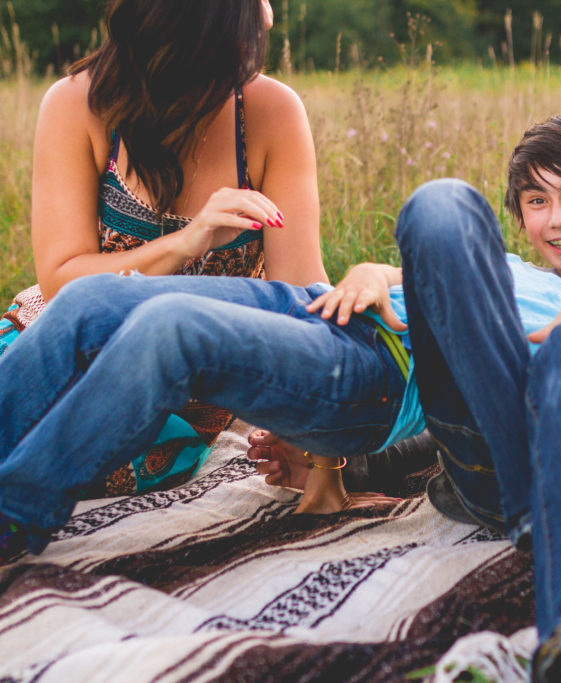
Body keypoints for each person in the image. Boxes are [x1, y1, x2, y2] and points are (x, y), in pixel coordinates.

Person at [0, 178, 561, 681]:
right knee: (96, 298)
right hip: (328, 309)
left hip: (405, 388)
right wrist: (381, 274)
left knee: (167, 328)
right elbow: (441, 277)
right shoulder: (508, 265)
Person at [250, 114, 561, 528]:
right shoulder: (519, 279)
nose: (559, 221)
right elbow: (456, 403)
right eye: (537, 202)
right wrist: (352, 463)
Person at [1, 0, 329, 497]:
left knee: (104, 450)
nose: (267, 16)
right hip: (70, 344)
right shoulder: (79, 103)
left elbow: (299, 294)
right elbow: (61, 280)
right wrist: (185, 243)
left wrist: (310, 436)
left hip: (190, 386)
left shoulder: (270, 112)